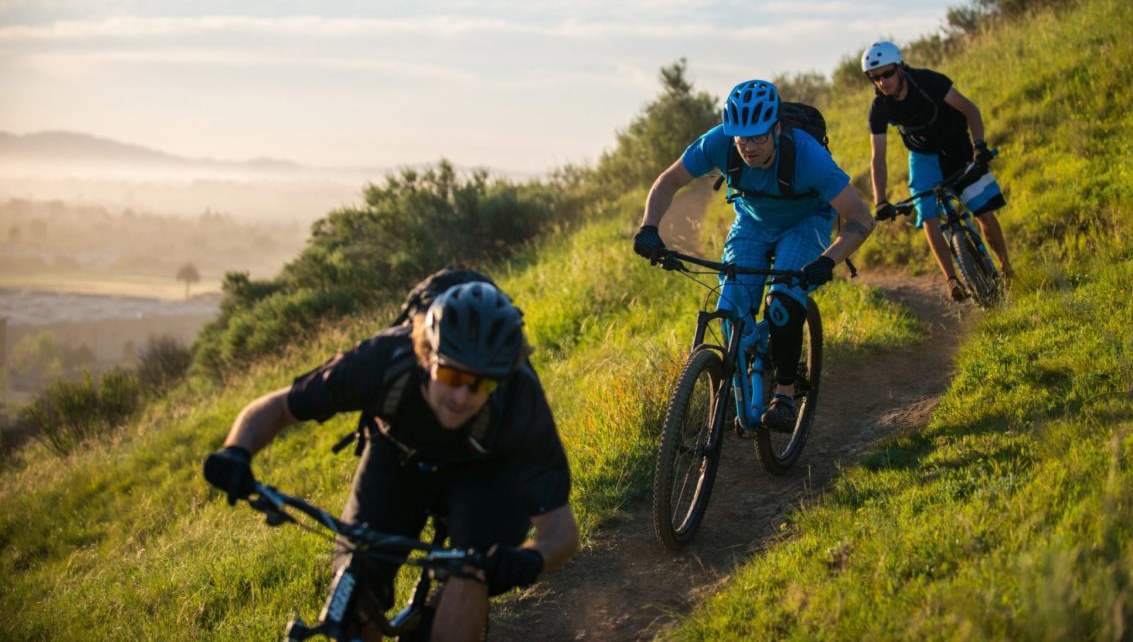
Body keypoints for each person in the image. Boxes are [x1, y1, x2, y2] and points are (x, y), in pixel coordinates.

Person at [203, 269, 578, 642]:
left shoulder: (519, 401)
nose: (461, 396)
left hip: (486, 472)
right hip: (397, 455)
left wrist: (532, 558)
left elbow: (561, 533)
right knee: (354, 582)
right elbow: (281, 406)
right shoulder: (383, 360)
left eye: (480, 384)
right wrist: (236, 452)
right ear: (426, 353)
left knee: (472, 569)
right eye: (449, 376)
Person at [633, 79, 875, 432]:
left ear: (776, 128)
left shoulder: (809, 158)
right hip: (752, 221)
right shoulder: (720, 143)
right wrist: (649, 227)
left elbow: (861, 219)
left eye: (759, 136)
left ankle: (785, 394)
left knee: (781, 303)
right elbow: (668, 181)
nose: (748, 146)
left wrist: (828, 260)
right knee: (731, 307)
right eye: (741, 137)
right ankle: (746, 376)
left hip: (805, 222)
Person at [861, 41, 1014, 301]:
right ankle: (952, 280)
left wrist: (979, 147)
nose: (882, 82)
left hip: (957, 148)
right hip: (922, 157)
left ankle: (1007, 270)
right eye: (875, 78)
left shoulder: (928, 82)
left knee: (983, 213)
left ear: (900, 68)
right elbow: (878, 158)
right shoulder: (880, 108)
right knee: (928, 216)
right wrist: (880, 200)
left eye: (887, 73)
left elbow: (970, 110)